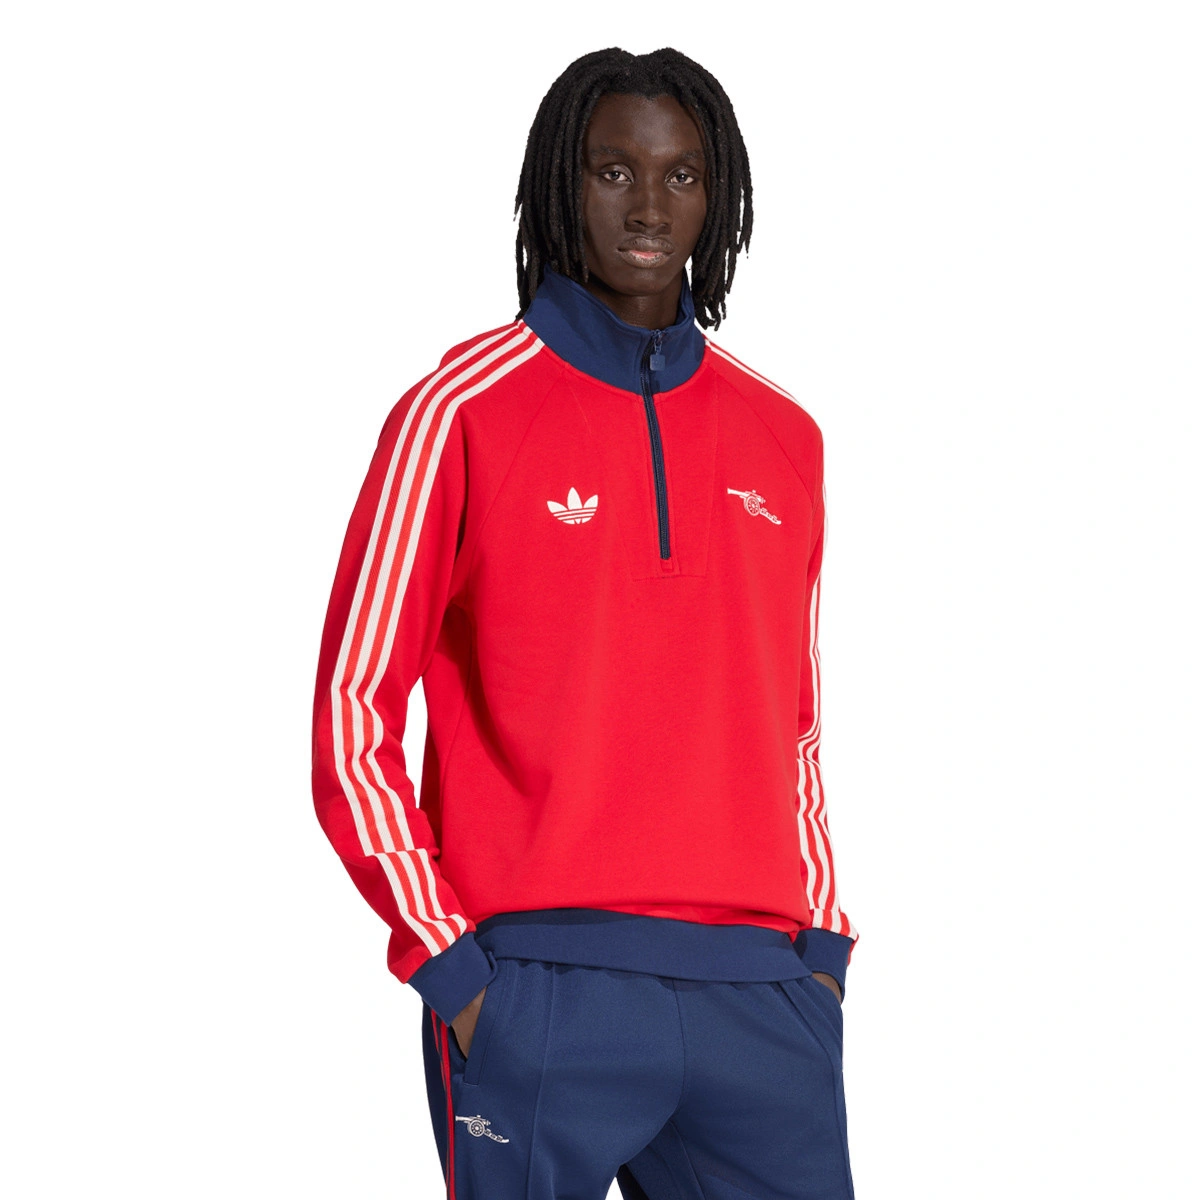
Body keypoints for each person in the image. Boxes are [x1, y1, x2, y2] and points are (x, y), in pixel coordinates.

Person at [311, 45, 860, 1200]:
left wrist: (819, 954)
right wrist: (453, 967)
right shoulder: (456, 413)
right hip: (539, 985)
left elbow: (798, 726)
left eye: (681, 175)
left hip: (763, 996)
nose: (649, 206)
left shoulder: (786, 439)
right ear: (561, 182)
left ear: (719, 195)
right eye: (614, 171)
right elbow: (354, 711)